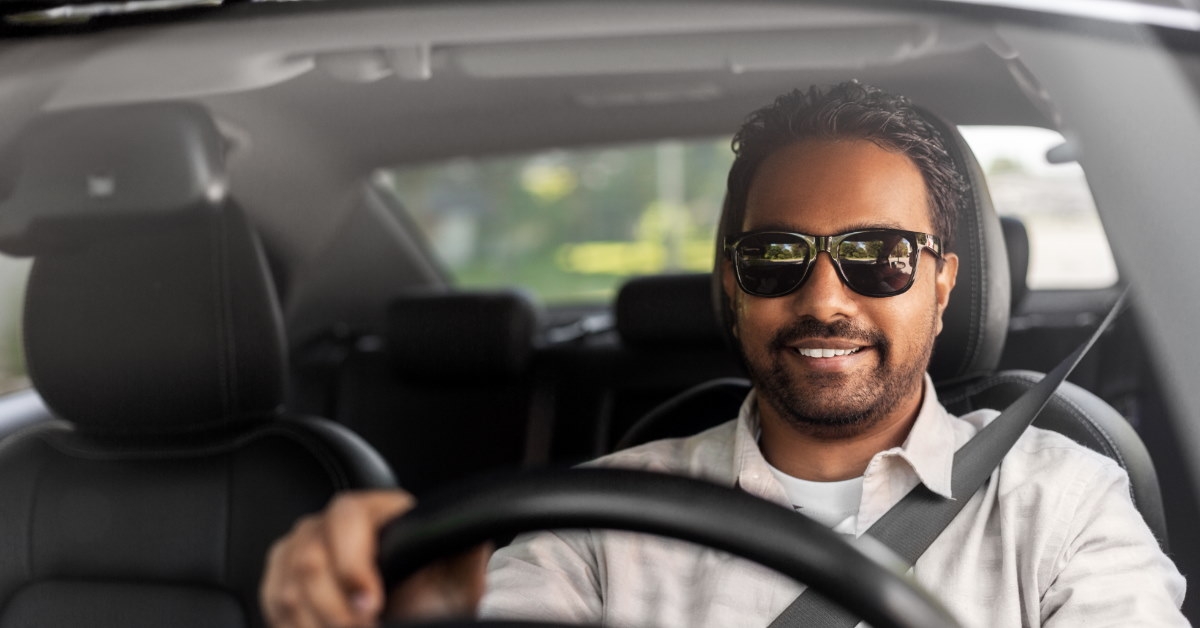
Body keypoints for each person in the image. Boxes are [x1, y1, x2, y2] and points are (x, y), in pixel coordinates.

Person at [260, 81, 1187, 627]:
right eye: (779, 257)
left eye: (877, 257)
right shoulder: (599, 521)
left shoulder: (1061, 503)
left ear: (941, 284)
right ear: (733, 286)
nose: (825, 298)